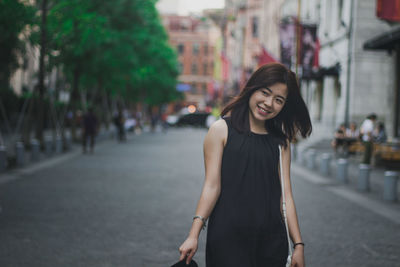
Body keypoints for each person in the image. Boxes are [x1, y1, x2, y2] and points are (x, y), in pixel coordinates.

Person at [178, 63, 312, 267]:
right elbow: (212, 186)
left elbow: (286, 197)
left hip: (271, 241)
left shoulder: (281, 143)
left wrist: (299, 245)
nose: (268, 103)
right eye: (265, 93)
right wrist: (193, 234)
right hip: (227, 238)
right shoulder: (220, 130)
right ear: (252, 88)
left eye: (278, 100)